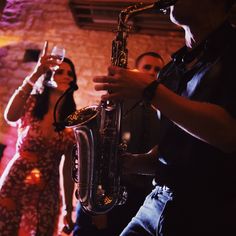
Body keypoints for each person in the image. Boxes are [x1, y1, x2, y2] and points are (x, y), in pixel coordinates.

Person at [93, 0, 236, 235]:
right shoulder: (171, 70)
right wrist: (126, 162)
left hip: (211, 212)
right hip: (156, 200)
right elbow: (177, 150)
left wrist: (150, 91)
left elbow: (229, 133)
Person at [72, 52, 165, 236]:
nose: (152, 72)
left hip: (139, 199)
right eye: (147, 67)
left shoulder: (162, 109)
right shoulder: (117, 102)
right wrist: (97, 204)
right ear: (135, 71)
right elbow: (99, 151)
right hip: (103, 192)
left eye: (157, 69)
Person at [0, 41, 77, 235]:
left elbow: (68, 169)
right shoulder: (32, 104)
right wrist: (36, 73)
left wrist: (69, 207)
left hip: (47, 190)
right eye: (60, 71)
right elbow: (10, 116)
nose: (66, 76)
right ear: (50, 76)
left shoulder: (72, 121)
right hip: (16, 181)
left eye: (70, 73)